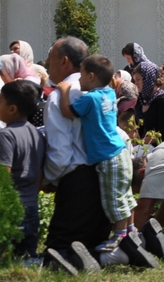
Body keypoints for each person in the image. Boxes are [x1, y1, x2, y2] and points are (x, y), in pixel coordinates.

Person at [43, 37, 150, 273]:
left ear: (64, 61)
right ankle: (125, 247)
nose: (47, 66)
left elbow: (60, 151)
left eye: (49, 60)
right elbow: (119, 133)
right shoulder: (105, 92)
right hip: (104, 167)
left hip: (77, 180)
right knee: (97, 236)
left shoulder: (62, 95)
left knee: (63, 246)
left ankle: (105, 253)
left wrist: (49, 178)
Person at [57, 55, 137, 253]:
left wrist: (64, 91)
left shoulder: (89, 99)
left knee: (114, 199)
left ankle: (119, 238)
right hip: (120, 151)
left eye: (81, 75)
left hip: (107, 156)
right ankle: (131, 231)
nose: (78, 80)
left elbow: (67, 112)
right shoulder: (109, 93)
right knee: (125, 195)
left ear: (91, 76)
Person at [0, 79, 46, 263]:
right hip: (31, 206)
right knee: (27, 257)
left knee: (7, 260)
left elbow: (2, 176)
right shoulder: (36, 133)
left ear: (12, 108)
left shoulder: (5, 136)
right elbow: (39, 173)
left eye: (0, 101)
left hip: (13, 208)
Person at [122, 43, 160, 112]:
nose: (128, 61)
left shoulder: (149, 69)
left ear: (135, 56)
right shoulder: (130, 68)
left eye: (129, 58)